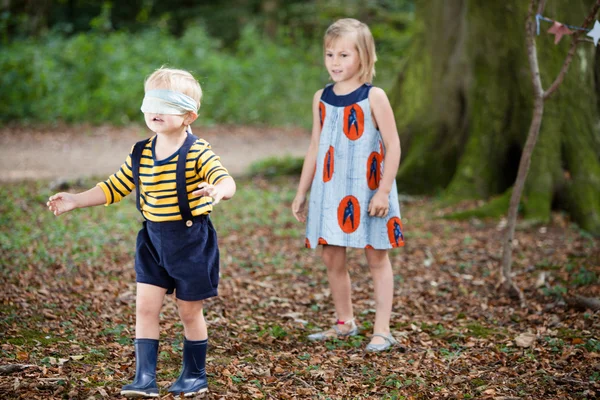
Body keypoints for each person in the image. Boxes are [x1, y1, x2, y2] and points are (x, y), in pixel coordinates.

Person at [47, 67, 236, 397]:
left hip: (190, 241)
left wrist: (219, 190)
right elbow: (114, 187)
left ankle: (195, 375)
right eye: (151, 102)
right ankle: (144, 378)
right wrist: (75, 200)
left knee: (189, 311)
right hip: (152, 241)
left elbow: (225, 179)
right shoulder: (141, 152)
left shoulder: (197, 152)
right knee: (145, 308)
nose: (156, 111)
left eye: (167, 104)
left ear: (189, 115)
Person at [291, 18, 404, 352]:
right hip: (331, 190)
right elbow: (315, 145)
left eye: (344, 55)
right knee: (332, 259)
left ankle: (382, 330)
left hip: (370, 190)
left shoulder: (375, 97)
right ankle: (345, 322)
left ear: (363, 57)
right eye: (330, 55)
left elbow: (394, 145)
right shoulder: (321, 97)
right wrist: (302, 191)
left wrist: (383, 190)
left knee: (376, 259)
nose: (335, 63)